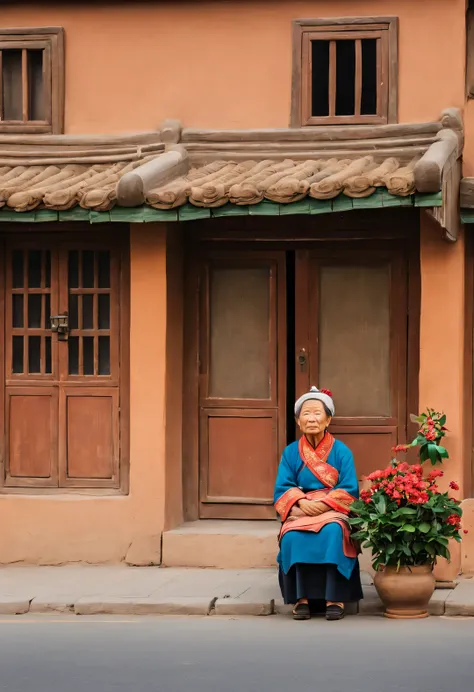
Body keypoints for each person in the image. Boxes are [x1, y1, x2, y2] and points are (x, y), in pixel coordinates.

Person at [274, 386, 363, 621]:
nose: (311, 419)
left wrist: (324, 505)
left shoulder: (342, 451)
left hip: (332, 509)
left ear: (328, 420)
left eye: (317, 413)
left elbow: (349, 488)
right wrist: (301, 503)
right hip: (301, 508)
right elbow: (283, 487)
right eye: (306, 414)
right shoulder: (291, 452)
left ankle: (335, 598)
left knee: (334, 531)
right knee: (292, 535)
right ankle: (301, 599)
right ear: (298, 421)